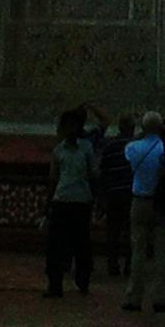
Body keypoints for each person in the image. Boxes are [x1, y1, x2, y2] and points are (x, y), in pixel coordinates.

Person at [123, 111, 165, 312]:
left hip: (139, 200)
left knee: (137, 251)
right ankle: (160, 297)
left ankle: (134, 297)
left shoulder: (133, 147)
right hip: (162, 202)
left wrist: (144, 132)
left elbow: (129, 147)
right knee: (162, 252)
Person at [44, 107, 97, 297]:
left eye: (74, 125)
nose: (71, 129)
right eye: (67, 126)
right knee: (56, 245)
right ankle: (55, 284)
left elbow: (93, 175)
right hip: (62, 201)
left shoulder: (86, 148)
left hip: (81, 201)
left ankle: (83, 279)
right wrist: (47, 205)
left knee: (82, 244)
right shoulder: (58, 151)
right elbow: (53, 178)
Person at [96, 111, 137, 279]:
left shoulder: (110, 146)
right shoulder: (135, 147)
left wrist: (101, 197)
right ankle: (128, 265)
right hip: (130, 193)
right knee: (130, 232)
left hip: (113, 194)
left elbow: (102, 172)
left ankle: (112, 264)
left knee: (113, 231)